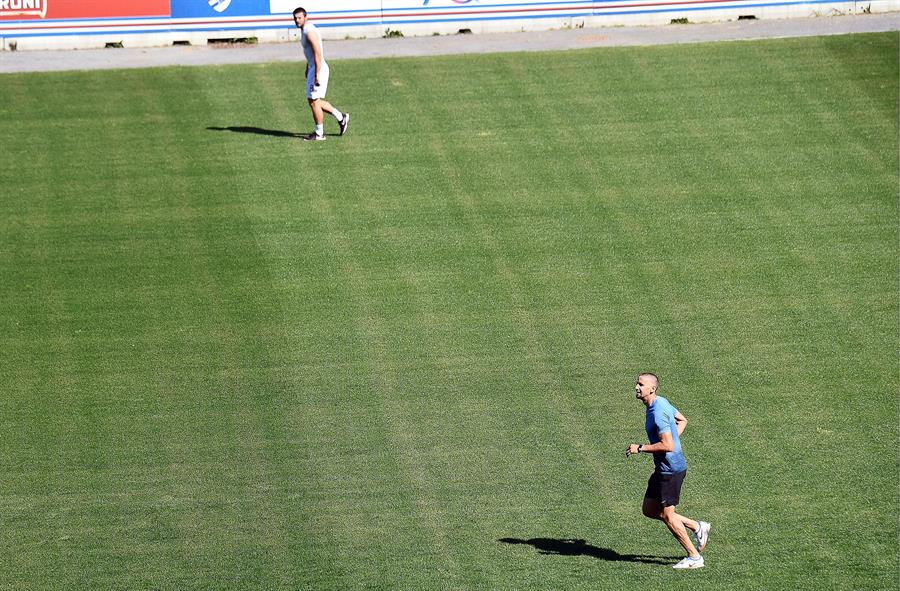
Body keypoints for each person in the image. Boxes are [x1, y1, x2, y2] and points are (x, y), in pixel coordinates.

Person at [625, 372, 711, 569]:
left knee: (668, 515)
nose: (636, 387)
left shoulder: (656, 414)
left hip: (670, 470)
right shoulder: (661, 402)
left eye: (641, 384)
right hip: (663, 468)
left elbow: (668, 445)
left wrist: (640, 447)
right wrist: (671, 439)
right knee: (649, 509)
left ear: (652, 389)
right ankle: (697, 526)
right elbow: (682, 420)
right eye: (637, 383)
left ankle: (694, 557)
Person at [293, 7, 350, 141]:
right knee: (313, 101)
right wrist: (308, 67)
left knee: (314, 102)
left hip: (319, 69)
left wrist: (317, 74)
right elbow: (312, 54)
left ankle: (319, 134)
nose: (297, 20)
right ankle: (341, 117)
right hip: (314, 68)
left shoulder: (309, 31)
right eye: (295, 18)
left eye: (299, 17)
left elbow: (318, 54)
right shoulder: (305, 29)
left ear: (306, 17)